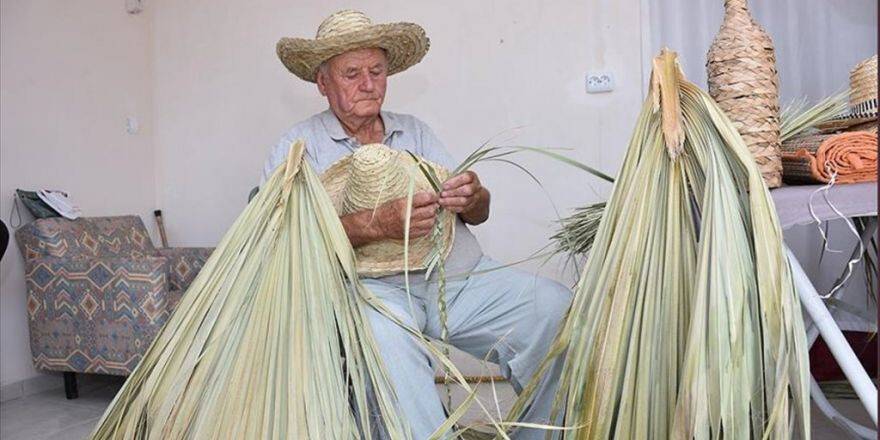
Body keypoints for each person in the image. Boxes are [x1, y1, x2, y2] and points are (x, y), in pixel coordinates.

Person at [262, 10, 572, 439]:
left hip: (454, 276)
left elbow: (477, 213)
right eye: (351, 73)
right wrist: (376, 224)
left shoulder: (415, 132)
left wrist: (473, 195)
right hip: (372, 291)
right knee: (386, 343)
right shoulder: (298, 148)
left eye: (377, 71)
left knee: (553, 307)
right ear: (322, 82)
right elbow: (276, 235)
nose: (368, 84)